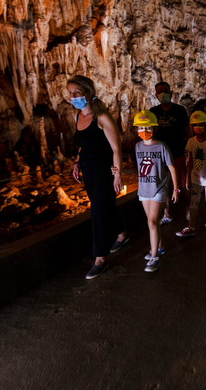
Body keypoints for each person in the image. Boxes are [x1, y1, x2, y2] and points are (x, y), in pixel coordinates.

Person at [69, 75, 129, 280]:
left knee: (96, 212)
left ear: (88, 92)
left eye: (76, 92)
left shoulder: (101, 117)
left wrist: (117, 174)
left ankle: (100, 258)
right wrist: (77, 162)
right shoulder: (77, 117)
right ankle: (121, 233)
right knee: (103, 207)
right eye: (70, 93)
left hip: (104, 171)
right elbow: (83, 144)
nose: (73, 96)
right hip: (88, 171)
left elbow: (116, 147)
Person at [133, 110, 179, 272]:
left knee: (151, 222)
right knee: (153, 222)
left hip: (158, 188)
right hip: (144, 188)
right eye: (140, 128)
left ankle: (154, 257)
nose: (144, 132)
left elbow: (171, 168)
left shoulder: (161, 146)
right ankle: (159, 247)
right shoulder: (138, 147)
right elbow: (139, 169)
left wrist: (176, 189)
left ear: (154, 128)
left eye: (147, 128)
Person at [149, 82, 190, 225]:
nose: (162, 94)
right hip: (159, 154)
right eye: (159, 92)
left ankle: (188, 208)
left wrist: (189, 148)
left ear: (171, 93)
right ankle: (166, 213)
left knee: (182, 183)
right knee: (163, 184)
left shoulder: (180, 110)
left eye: (165, 91)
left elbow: (187, 129)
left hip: (177, 151)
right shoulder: (153, 112)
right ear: (156, 95)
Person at [176, 111, 206, 237]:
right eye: (195, 125)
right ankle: (191, 226)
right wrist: (188, 178)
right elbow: (189, 161)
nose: (197, 128)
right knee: (193, 201)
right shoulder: (191, 142)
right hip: (196, 177)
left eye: (200, 125)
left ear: (205, 125)